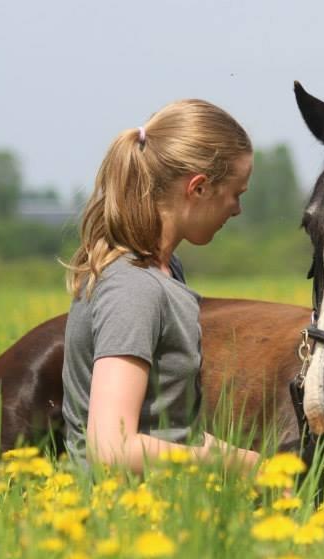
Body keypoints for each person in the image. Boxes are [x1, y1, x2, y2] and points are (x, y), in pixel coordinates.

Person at [61, 99, 260, 474]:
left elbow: (175, 433)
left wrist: (257, 463)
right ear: (198, 188)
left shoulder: (164, 273)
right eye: (237, 193)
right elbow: (111, 447)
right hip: (127, 518)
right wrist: (238, 467)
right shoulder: (133, 289)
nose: (237, 210)